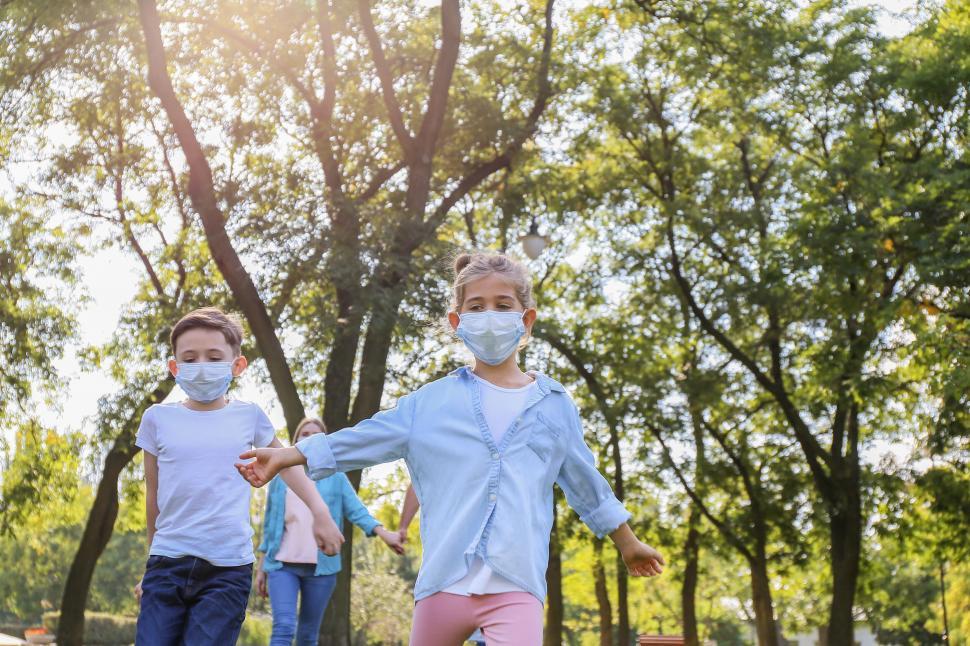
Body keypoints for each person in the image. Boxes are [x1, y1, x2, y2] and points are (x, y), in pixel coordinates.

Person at [236, 252, 665, 646]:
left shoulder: (553, 406)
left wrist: (627, 542)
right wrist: (289, 454)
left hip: (516, 585)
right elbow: (364, 437)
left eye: (502, 305)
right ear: (457, 322)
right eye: (476, 307)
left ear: (526, 319)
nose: (490, 315)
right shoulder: (431, 403)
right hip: (442, 583)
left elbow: (587, 484)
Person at [134, 307, 344, 646]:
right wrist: (150, 566)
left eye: (213, 356)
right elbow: (153, 495)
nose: (201, 365)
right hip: (167, 562)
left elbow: (286, 464)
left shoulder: (249, 416)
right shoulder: (157, 419)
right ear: (174, 368)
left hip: (227, 569)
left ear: (237, 365)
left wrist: (320, 512)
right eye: (189, 358)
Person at [256, 417, 405, 646]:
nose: (309, 438)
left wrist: (384, 534)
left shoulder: (335, 476)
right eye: (304, 434)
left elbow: (357, 511)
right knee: (283, 628)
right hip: (281, 565)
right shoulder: (280, 477)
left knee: (308, 635)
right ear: (296, 440)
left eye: (316, 435)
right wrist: (261, 567)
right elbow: (270, 526)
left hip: (322, 570)